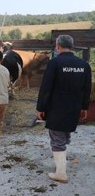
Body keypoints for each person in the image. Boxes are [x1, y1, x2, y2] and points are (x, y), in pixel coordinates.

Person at [36, 34, 91, 183]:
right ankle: (61, 163)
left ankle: (61, 173)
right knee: (64, 135)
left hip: (56, 109)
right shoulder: (84, 65)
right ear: (71, 46)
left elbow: (46, 88)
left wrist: (40, 107)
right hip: (74, 108)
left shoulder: (55, 63)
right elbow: (87, 89)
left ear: (58, 46)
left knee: (57, 139)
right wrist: (84, 107)